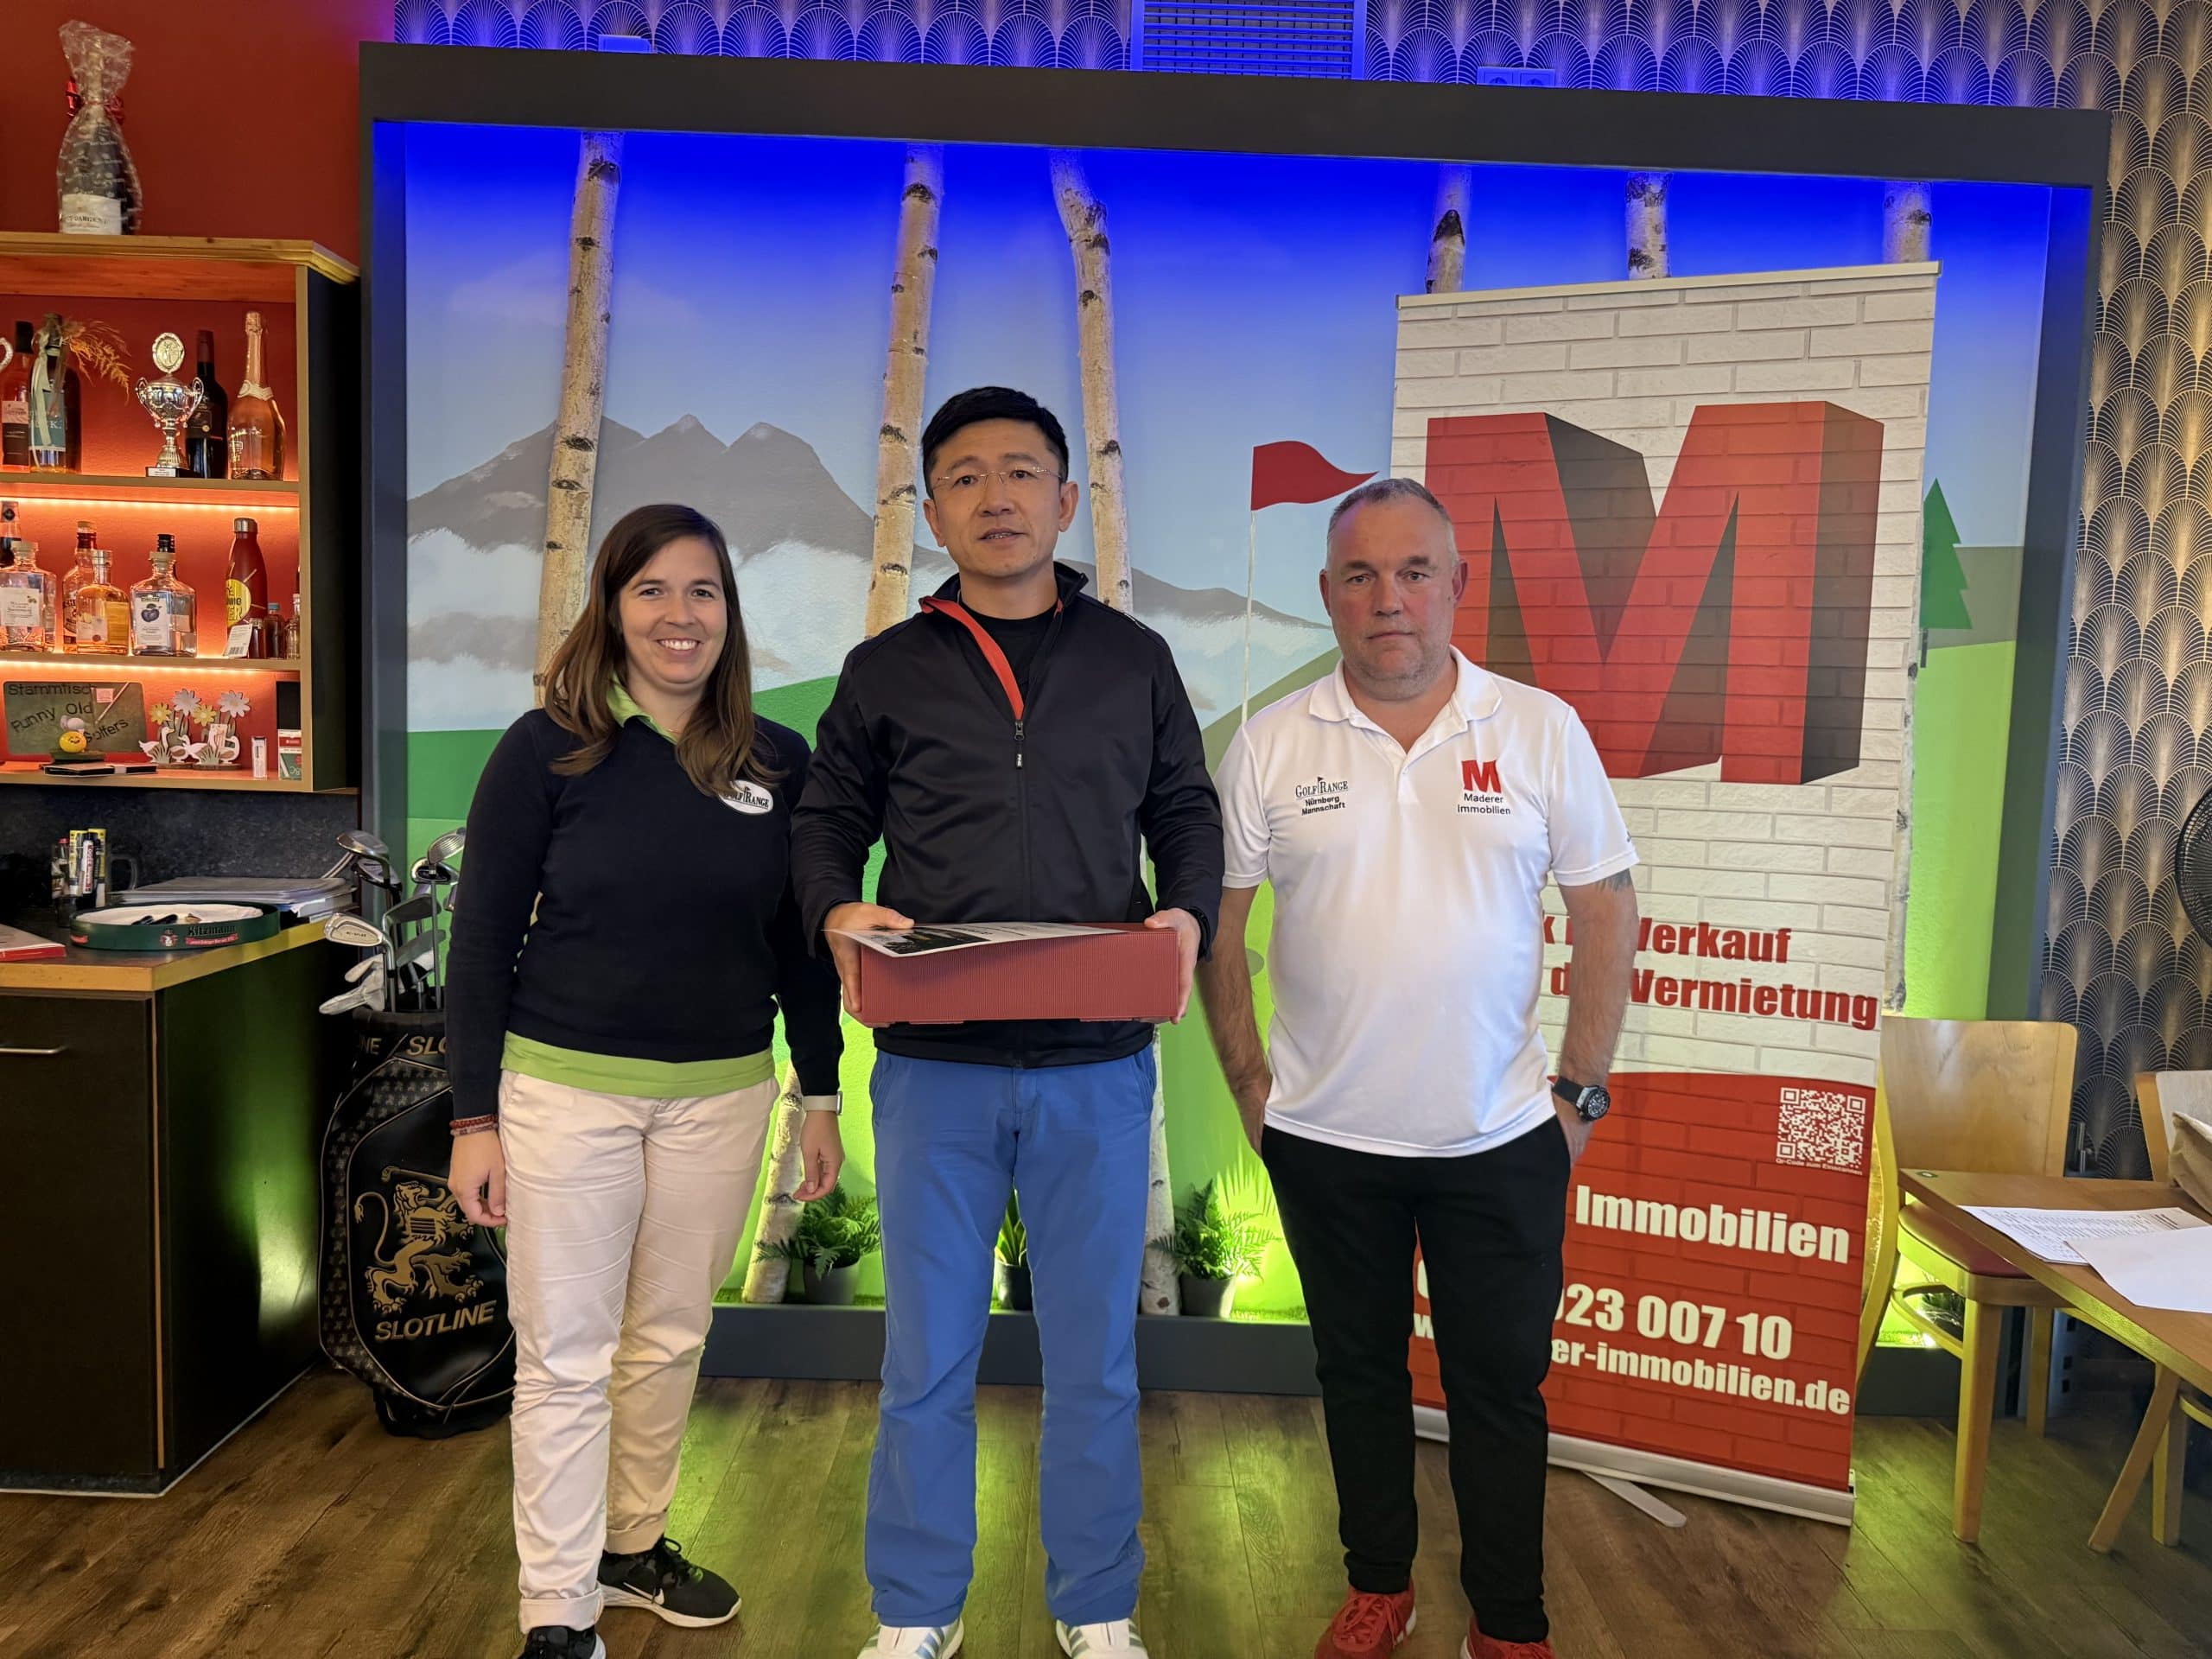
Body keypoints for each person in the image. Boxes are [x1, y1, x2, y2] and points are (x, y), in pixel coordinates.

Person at [792, 386, 1224, 1659]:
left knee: (1095, 1360)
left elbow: (1185, 810)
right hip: (936, 1068)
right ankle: (915, 1611)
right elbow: (827, 820)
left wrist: (1189, 910)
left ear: (1066, 500)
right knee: (926, 1360)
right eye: (967, 477)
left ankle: (1095, 1604)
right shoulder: (886, 670)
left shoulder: (1132, 659)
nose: (997, 498)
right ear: (932, 511)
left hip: (1098, 1066)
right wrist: (835, 906)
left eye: (1023, 473)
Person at [1198, 479, 1638, 1659]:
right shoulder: (1273, 741)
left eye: (1413, 572)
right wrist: (1253, 1092)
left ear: (1456, 586)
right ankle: (1378, 1587)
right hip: (1325, 1138)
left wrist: (1579, 1096)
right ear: (1328, 594)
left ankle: (1510, 1621)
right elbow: (1220, 927)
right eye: (1361, 575)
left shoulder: (1538, 727)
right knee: (1358, 1374)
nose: (1387, 598)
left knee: (1501, 1387)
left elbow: (1606, 908)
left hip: (1501, 1138)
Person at [445, 503, 846, 1659]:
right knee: (566, 1357)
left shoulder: (778, 760)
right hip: (565, 1094)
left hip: (723, 1096)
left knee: (668, 1338)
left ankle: (631, 1546)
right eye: (653, 591)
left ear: (729, 612)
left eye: (702, 591)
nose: (681, 615)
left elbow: (799, 949)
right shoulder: (547, 748)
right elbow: (481, 940)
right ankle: (558, 1613)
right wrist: (474, 1119)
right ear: (613, 610)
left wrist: (820, 1095)